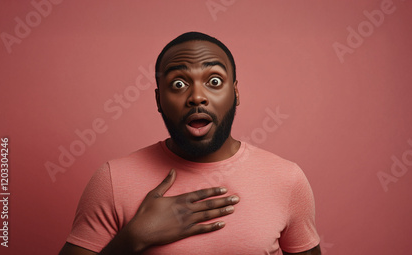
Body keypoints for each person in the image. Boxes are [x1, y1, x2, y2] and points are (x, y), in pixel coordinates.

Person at [59, 32, 321, 255]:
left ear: (236, 92)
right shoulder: (112, 180)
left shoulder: (286, 179)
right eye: (179, 83)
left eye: (214, 81)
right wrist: (133, 239)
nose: (197, 96)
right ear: (159, 99)